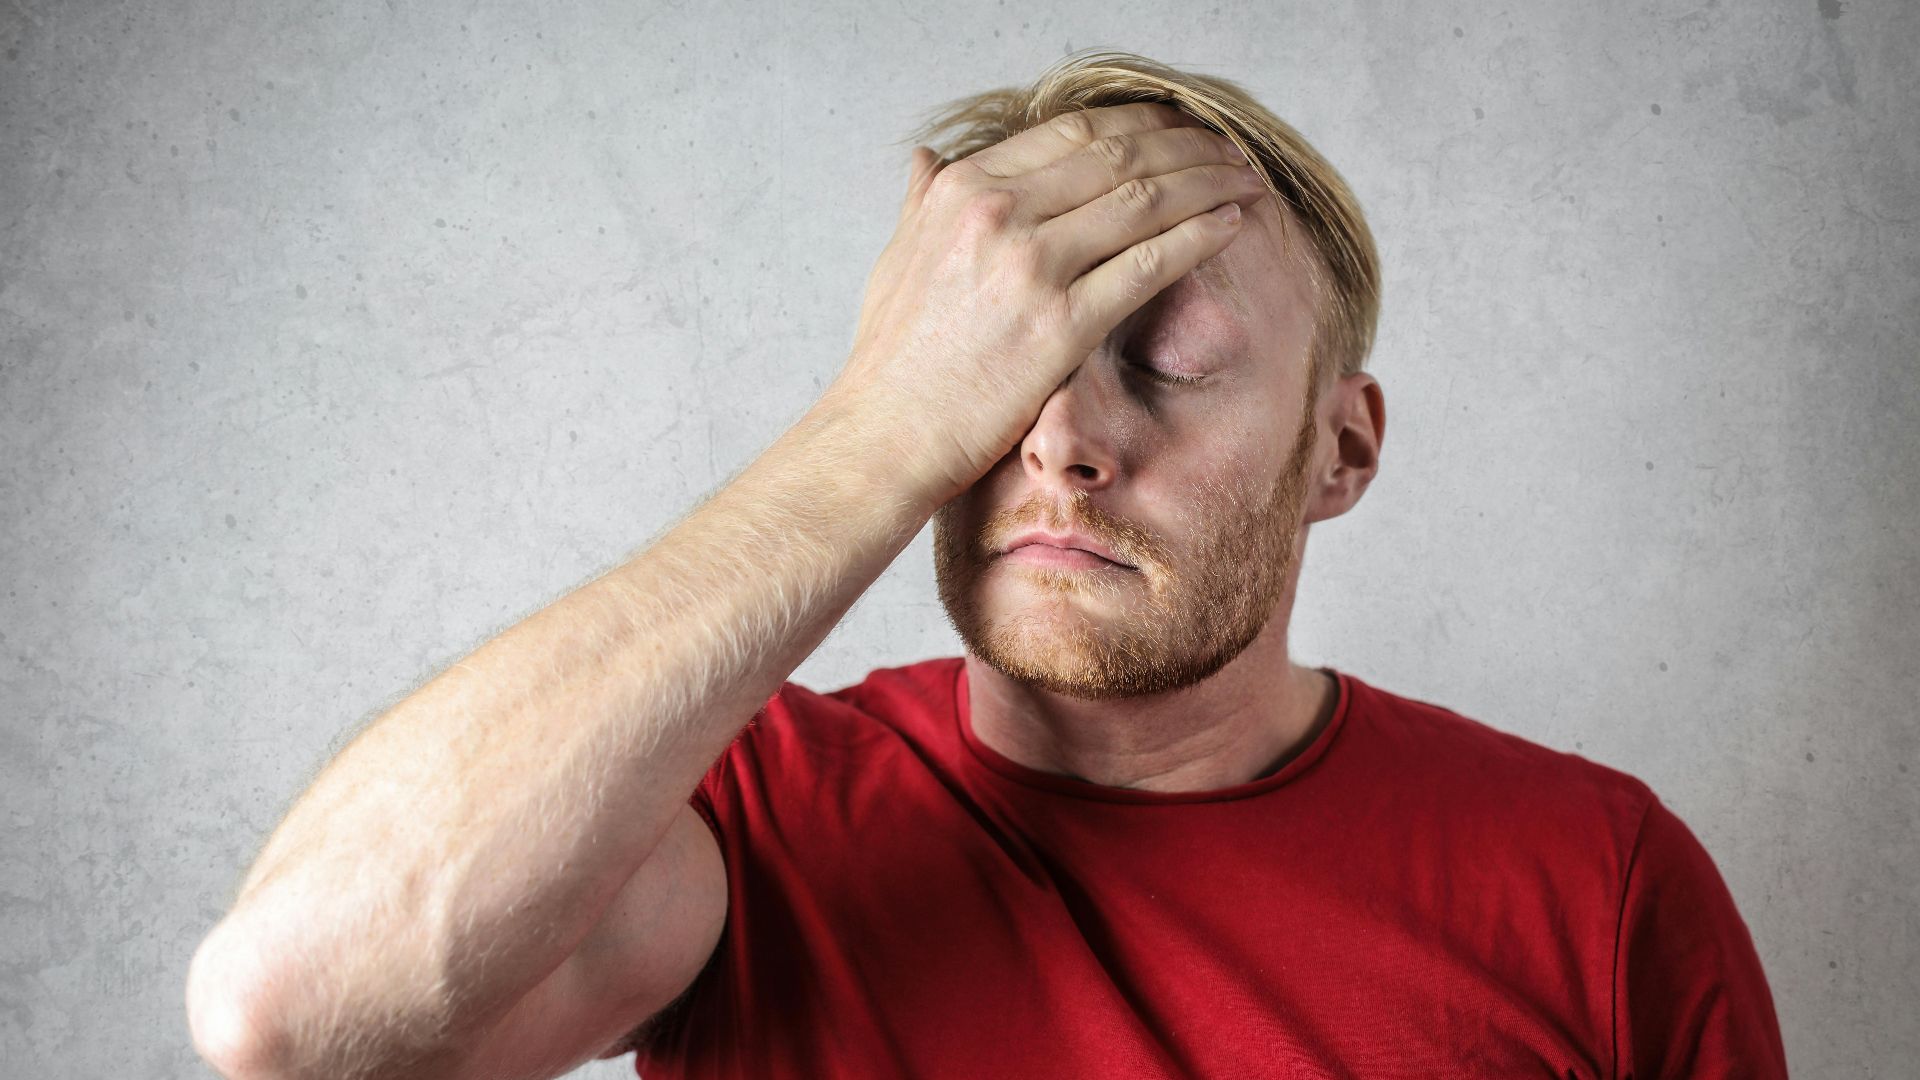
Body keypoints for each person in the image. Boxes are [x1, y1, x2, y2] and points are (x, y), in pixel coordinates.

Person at [186, 51, 1787, 1079]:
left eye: (1164, 360)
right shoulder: (746, 821)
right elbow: (282, 1014)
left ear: (1342, 450)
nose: (1061, 442)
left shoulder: (1598, 879)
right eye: (1003, 370)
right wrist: (876, 429)